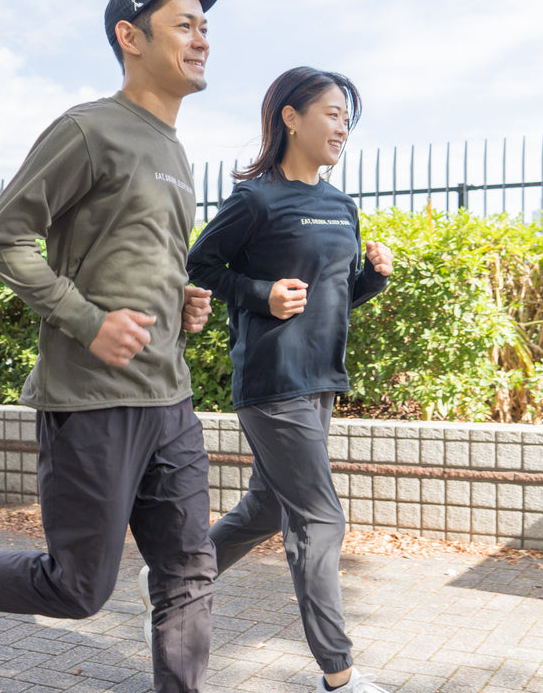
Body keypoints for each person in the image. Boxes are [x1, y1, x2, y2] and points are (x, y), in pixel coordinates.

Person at [0, 0, 223, 693]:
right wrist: (87, 322)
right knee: (79, 588)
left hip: (170, 402)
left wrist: (182, 301)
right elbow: (3, 239)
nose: (203, 37)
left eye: (204, 24)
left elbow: (134, 261)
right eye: (185, 23)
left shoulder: (176, 151)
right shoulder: (88, 129)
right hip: (92, 401)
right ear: (130, 38)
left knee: (190, 572)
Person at [187, 66, 393, 692]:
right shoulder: (256, 200)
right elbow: (201, 263)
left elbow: (332, 297)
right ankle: (340, 675)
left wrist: (372, 280)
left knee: (268, 506)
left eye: (348, 119)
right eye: (332, 113)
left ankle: (172, 579)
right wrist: (260, 294)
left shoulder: (341, 206)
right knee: (320, 518)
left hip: (321, 378)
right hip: (273, 381)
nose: (342, 128)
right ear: (291, 117)